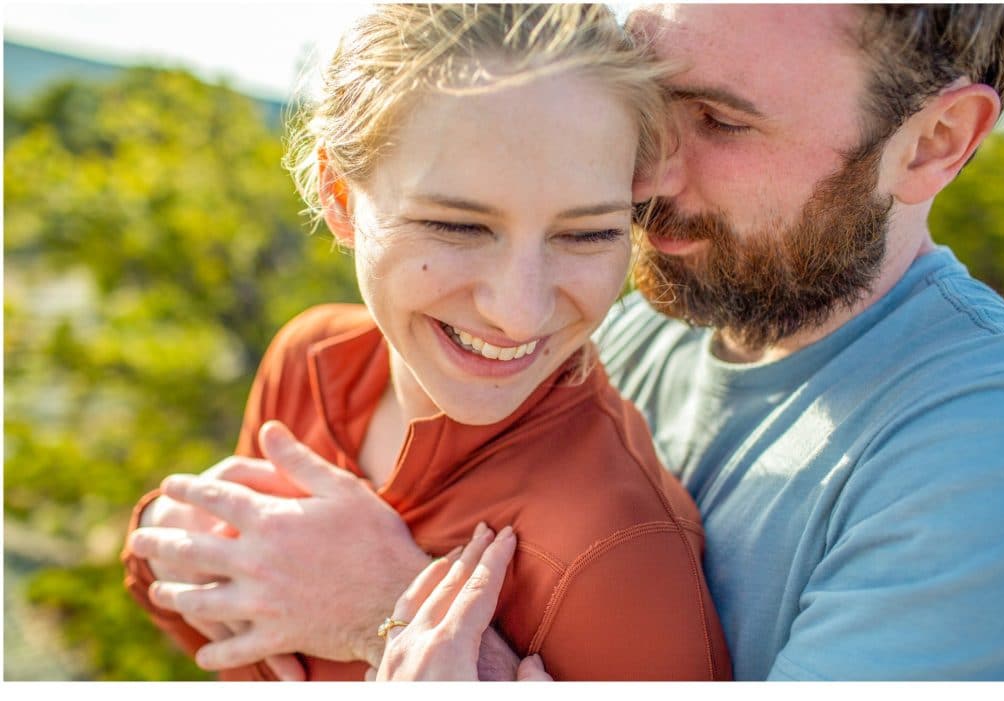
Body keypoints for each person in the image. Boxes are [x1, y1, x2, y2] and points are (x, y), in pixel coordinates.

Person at [128, 2, 1004, 681]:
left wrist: (395, 612)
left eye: (722, 121)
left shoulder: (984, 450)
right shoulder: (632, 310)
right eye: (649, 101)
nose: (646, 173)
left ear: (936, 141)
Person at [121, 3, 731, 681]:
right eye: (458, 227)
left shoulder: (617, 557)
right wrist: (164, 537)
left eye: (587, 234)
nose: (520, 313)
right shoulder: (310, 363)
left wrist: (388, 618)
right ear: (340, 197)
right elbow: (230, 639)